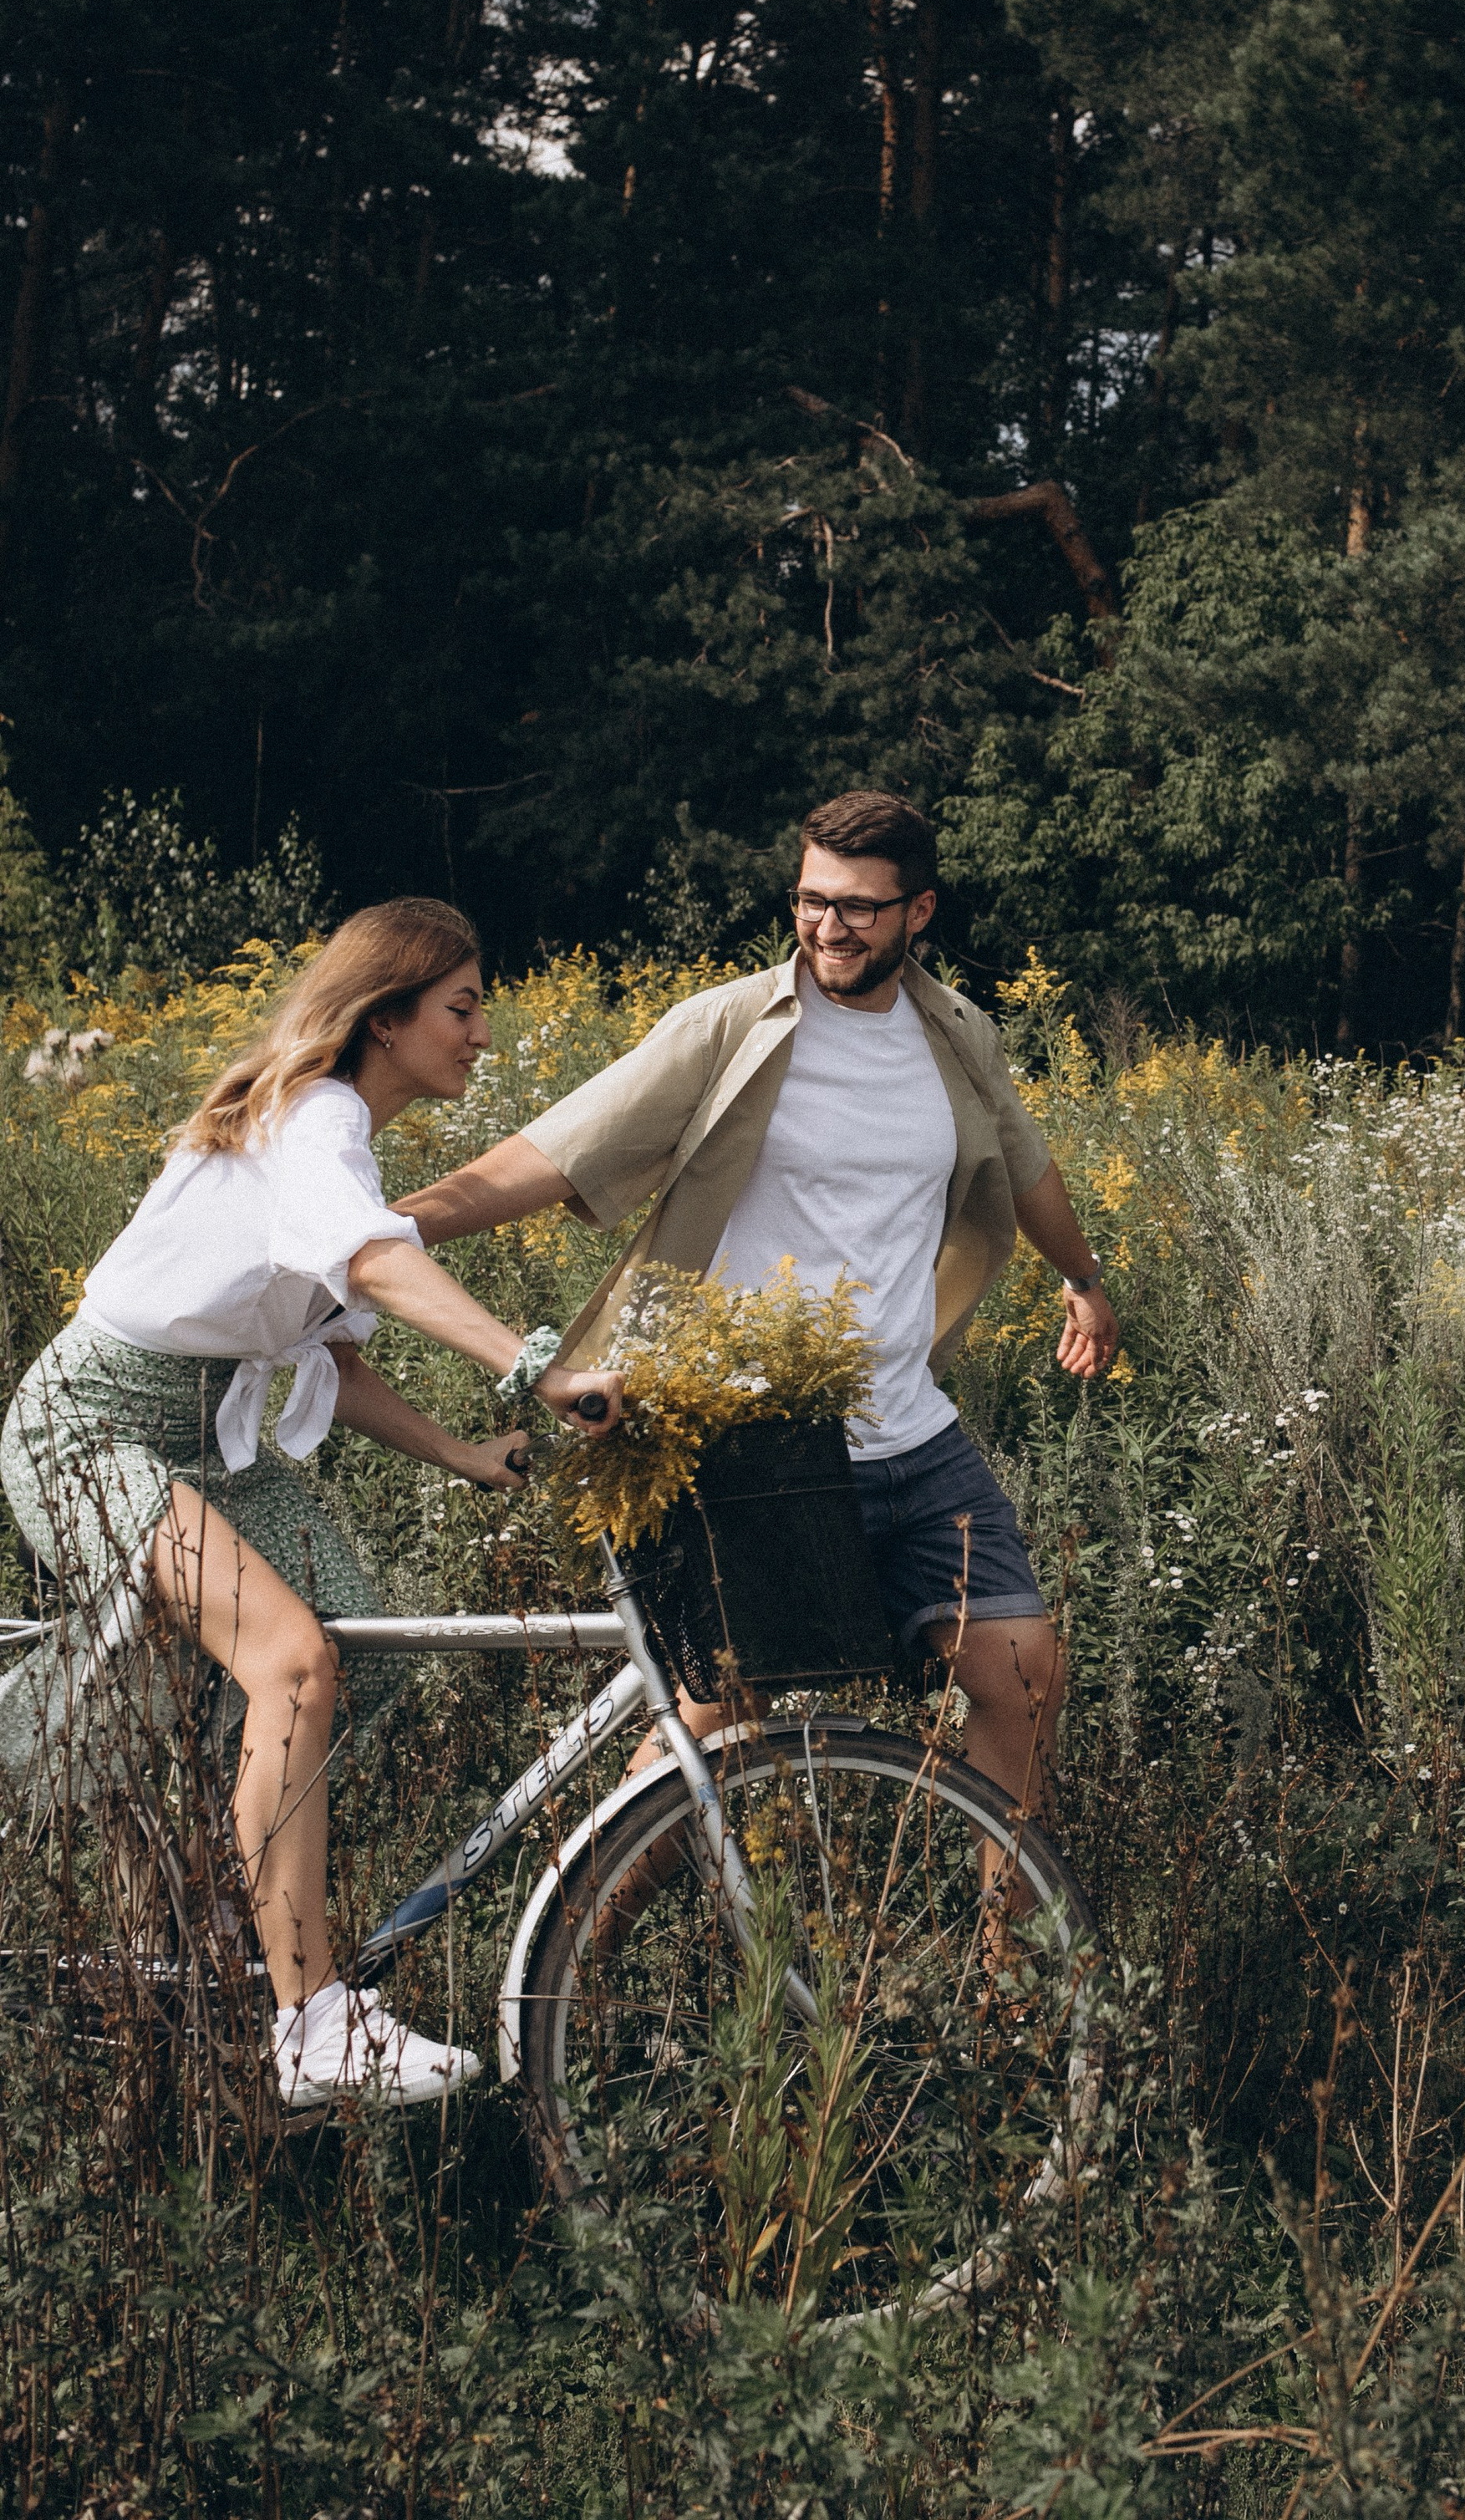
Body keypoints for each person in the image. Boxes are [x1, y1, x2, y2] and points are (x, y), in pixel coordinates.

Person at [399, 792, 1119, 1838]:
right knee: (720, 1713)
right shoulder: (731, 1026)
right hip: (751, 1433)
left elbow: (1024, 1168)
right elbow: (554, 1157)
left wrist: (1084, 1279)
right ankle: (579, 1963)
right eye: (811, 901)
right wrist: (387, 1234)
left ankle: (1008, 1979)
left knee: (1022, 1673)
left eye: (860, 909)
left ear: (919, 912)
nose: (830, 928)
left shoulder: (959, 1034)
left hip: (909, 1430)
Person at [0, 900, 622, 2110]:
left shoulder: (340, 1133)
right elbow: (381, 1266)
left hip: (204, 1442)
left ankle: (191, 1913)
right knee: (292, 1665)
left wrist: (465, 1454)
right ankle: (313, 2023)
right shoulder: (318, 1118)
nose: (483, 1034)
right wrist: (534, 1370)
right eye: (463, 1008)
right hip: (88, 1428)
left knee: (356, 1660)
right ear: (385, 1017)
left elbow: (332, 1356)